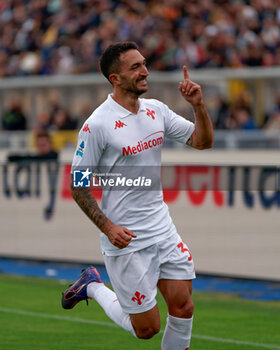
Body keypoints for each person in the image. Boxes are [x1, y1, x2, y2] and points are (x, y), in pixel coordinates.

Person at [62, 42, 213, 349]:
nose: (145, 71)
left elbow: (201, 142)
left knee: (183, 307)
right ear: (114, 78)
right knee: (147, 329)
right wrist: (108, 228)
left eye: (144, 63)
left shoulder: (156, 110)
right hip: (126, 238)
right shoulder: (97, 125)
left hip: (162, 228)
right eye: (135, 67)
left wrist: (198, 106)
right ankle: (92, 286)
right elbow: (78, 185)